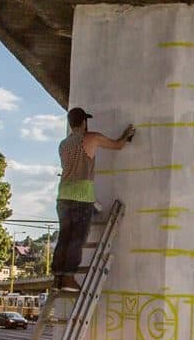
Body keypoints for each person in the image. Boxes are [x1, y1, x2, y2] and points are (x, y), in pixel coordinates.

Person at [51, 107, 135, 291]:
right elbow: (117, 145)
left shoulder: (63, 144)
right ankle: (69, 278)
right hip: (82, 197)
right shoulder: (91, 138)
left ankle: (57, 277)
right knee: (77, 238)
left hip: (63, 196)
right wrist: (127, 134)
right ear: (84, 122)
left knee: (64, 237)